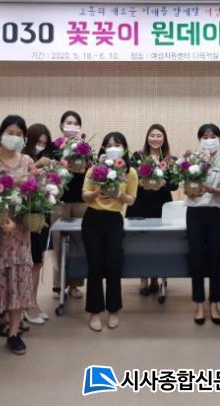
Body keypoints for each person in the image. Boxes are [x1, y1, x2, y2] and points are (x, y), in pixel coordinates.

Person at [0, 114, 33, 355]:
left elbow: (35, 192)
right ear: (1, 133)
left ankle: (14, 333)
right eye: (10, 132)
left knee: (18, 280)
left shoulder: (27, 161)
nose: (13, 137)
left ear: (24, 138)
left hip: (20, 232)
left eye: (18, 134)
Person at [82, 132, 138, 331]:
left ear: (124, 148)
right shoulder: (95, 169)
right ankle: (95, 311)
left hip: (114, 220)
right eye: (109, 145)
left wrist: (119, 194)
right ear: (103, 149)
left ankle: (113, 309)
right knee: (95, 266)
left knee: (114, 265)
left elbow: (131, 200)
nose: (113, 148)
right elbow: (85, 195)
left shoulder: (130, 172)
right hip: (92, 219)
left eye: (118, 144)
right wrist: (98, 193)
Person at [185, 124, 220, 326]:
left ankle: (214, 303)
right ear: (199, 139)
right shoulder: (192, 158)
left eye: (213, 136)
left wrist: (210, 189)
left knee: (215, 259)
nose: (209, 140)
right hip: (195, 213)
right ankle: (198, 303)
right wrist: (193, 190)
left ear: (219, 138)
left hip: (216, 212)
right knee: (196, 258)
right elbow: (186, 188)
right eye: (205, 136)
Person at [126, 124, 177, 296]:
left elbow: (175, 184)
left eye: (159, 135)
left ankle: (156, 278)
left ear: (164, 139)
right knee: (140, 243)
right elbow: (130, 179)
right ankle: (143, 279)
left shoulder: (170, 159)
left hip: (161, 205)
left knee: (160, 243)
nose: (155, 138)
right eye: (152, 135)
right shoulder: (137, 156)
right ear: (147, 137)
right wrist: (141, 182)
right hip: (140, 205)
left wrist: (164, 183)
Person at [22, 123, 58, 325]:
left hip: (42, 213)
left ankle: (32, 302)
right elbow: (19, 182)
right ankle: (26, 305)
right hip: (26, 216)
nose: (41, 146)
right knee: (28, 263)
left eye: (44, 143)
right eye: (38, 142)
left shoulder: (47, 159)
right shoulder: (23, 159)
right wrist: (37, 166)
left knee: (38, 261)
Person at [50, 111, 87, 299]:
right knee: (58, 243)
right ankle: (59, 285)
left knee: (79, 243)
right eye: (68, 122)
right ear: (61, 125)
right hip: (59, 200)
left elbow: (90, 171)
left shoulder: (85, 147)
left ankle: (75, 285)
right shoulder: (54, 146)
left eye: (75, 123)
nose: (71, 126)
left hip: (81, 199)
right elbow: (49, 171)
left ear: (79, 127)